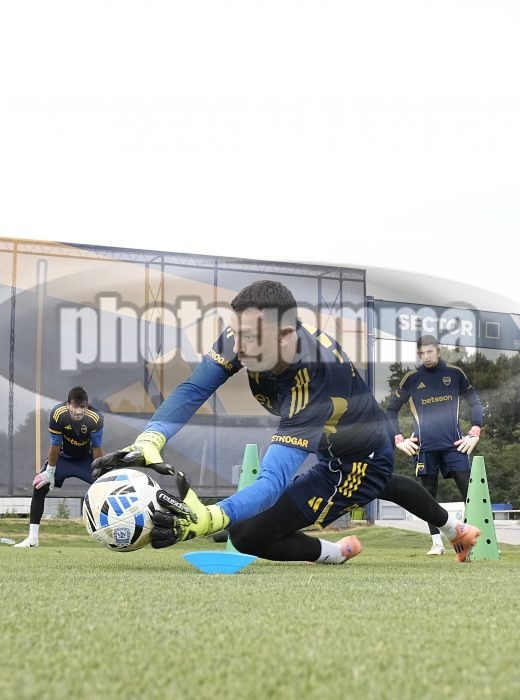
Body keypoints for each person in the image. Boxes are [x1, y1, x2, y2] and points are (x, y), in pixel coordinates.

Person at [92, 280, 480, 564]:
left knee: (244, 534)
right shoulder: (248, 336)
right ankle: (456, 531)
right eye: (236, 334)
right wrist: (150, 439)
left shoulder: (312, 382)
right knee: (385, 484)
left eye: (249, 338)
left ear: (286, 335)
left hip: (357, 460)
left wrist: (208, 517)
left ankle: (335, 553)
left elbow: (271, 481)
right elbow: (194, 389)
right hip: (339, 447)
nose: (238, 348)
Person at [386, 334, 483, 556]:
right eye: (422, 353)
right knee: (427, 496)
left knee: (470, 492)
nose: (426, 356)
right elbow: (391, 410)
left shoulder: (455, 373)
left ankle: (478, 541)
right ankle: (437, 544)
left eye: (430, 352)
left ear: (438, 351)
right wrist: (398, 439)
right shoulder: (411, 379)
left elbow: (475, 402)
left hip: (455, 445)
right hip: (424, 447)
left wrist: (475, 430)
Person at [14, 386, 104, 548]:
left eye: (82, 407)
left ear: (87, 405)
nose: (78, 411)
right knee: (39, 486)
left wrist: (101, 474)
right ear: (68, 405)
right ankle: (32, 539)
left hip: (85, 461)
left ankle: (113, 536)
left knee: (108, 489)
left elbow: (97, 447)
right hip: (63, 459)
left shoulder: (96, 417)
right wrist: (49, 472)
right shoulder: (58, 414)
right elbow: (55, 445)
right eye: (75, 406)